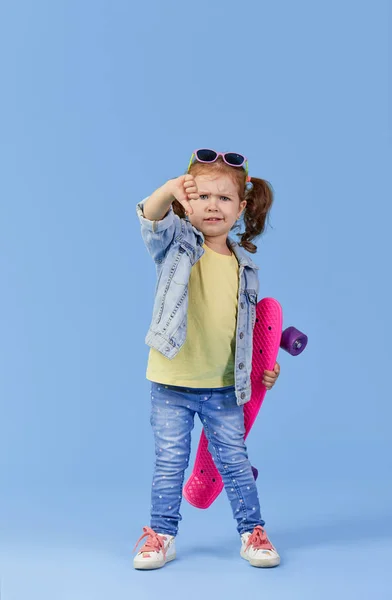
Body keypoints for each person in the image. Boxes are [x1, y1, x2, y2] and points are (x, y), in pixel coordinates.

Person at [133, 149, 281, 570]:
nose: (212, 206)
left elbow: (247, 331)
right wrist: (169, 191)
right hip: (171, 383)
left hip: (223, 387)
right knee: (170, 463)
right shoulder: (177, 245)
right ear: (186, 203)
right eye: (202, 198)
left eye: (224, 198)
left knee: (234, 460)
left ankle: (252, 531)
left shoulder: (245, 268)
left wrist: (265, 365)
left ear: (242, 207)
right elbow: (150, 216)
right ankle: (161, 535)